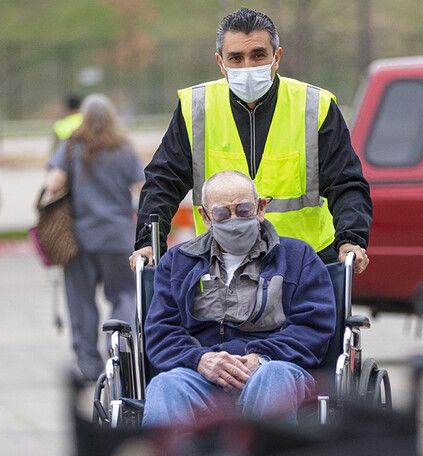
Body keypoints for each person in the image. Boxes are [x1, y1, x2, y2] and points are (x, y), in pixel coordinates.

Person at [131, 7, 372, 274]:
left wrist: (351, 239)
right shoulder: (196, 108)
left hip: (305, 266)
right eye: (236, 58)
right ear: (220, 63)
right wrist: (149, 244)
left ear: (276, 57)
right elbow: (163, 181)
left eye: (258, 55)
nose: (247, 66)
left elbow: (346, 183)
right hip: (221, 267)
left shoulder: (315, 107)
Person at [142, 171, 336, 426]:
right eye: (222, 213)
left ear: (260, 208)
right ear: (205, 217)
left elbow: (312, 325)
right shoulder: (178, 263)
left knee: (272, 376)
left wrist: (262, 357)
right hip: (203, 377)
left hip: (276, 371)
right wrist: (200, 360)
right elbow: (161, 331)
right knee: (165, 385)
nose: (233, 220)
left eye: (244, 210)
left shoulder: (297, 257)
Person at [43, 94, 145, 384]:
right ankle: (120, 353)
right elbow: (143, 186)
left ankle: (89, 364)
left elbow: (53, 185)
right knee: (125, 294)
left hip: (80, 239)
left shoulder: (72, 146)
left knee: (81, 301)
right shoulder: (124, 149)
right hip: (119, 238)